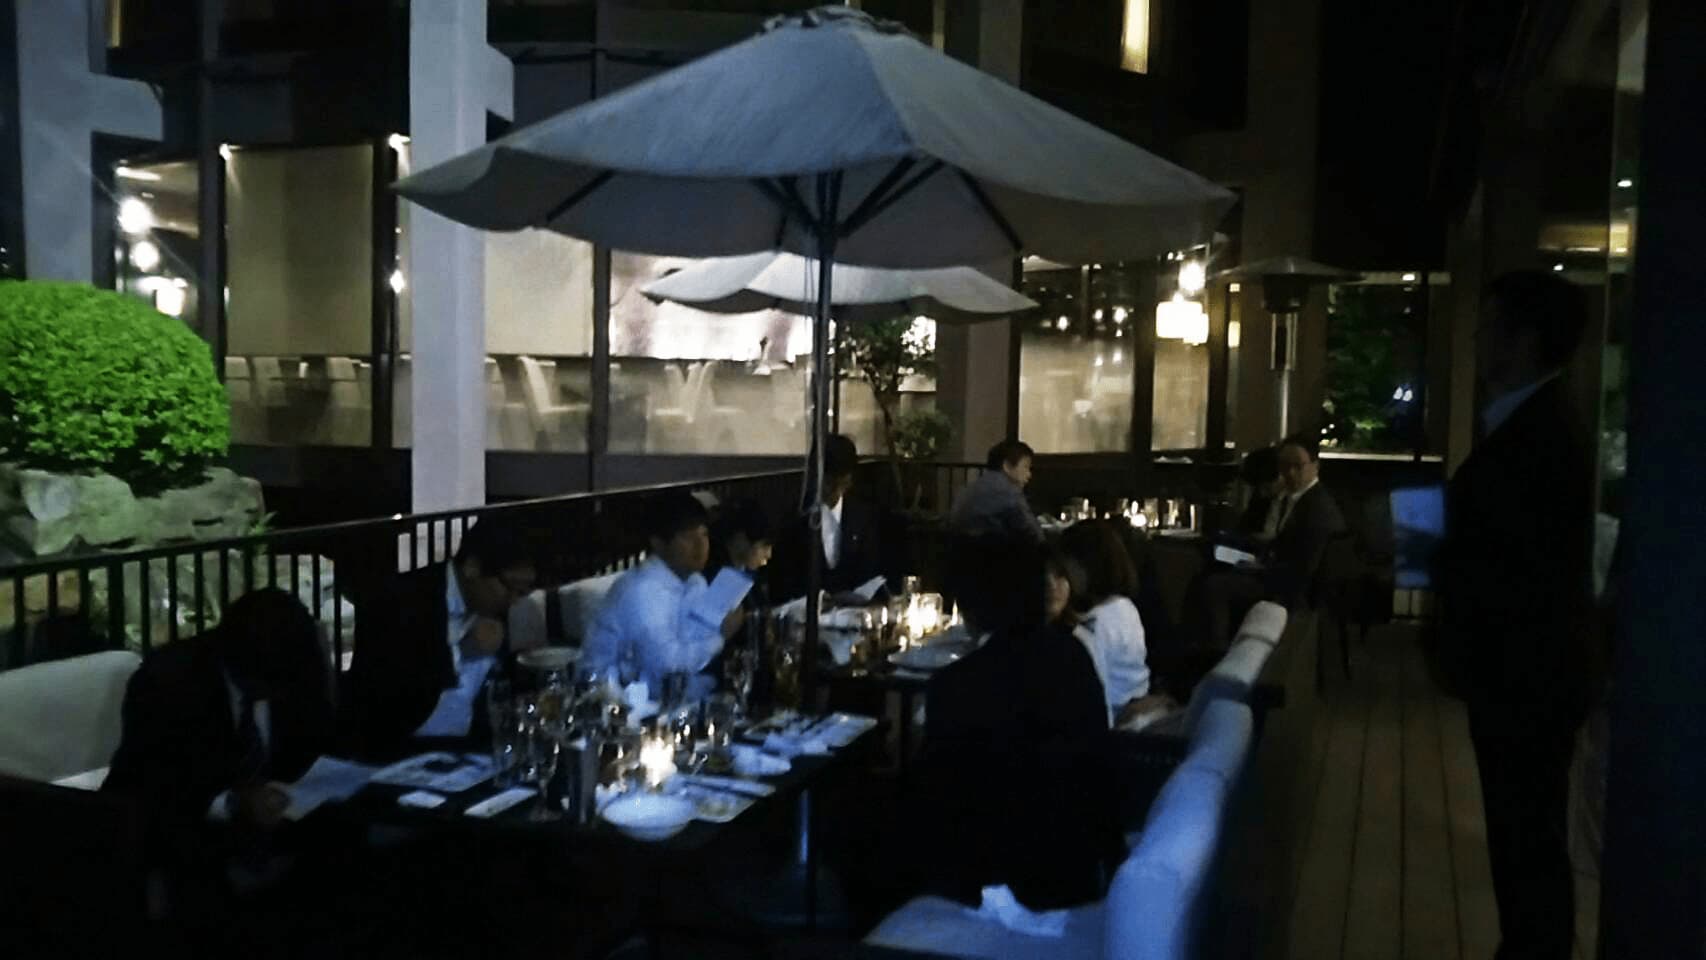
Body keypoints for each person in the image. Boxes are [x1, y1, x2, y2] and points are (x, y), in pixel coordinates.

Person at [1433, 270, 1596, 960]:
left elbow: (1497, 548)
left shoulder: (1535, 436)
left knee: (1525, 834)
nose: (1476, 339)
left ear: (1521, 341)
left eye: (1487, 326)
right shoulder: (1541, 424)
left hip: (1523, 675)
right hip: (1527, 673)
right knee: (1525, 833)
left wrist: (1414, 532)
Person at [103, 588, 334, 918]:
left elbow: (314, 738)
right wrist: (234, 802)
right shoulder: (170, 682)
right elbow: (157, 788)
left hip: (276, 820)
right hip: (180, 828)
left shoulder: (296, 662)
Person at [921, 541, 1116, 909]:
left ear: (972, 607)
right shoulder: (1074, 655)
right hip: (1076, 867)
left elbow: (939, 804)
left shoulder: (956, 686)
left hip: (990, 883)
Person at [342, 518, 540, 760]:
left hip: (469, 747)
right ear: (472, 568)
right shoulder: (404, 599)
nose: (514, 600)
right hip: (399, 747)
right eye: (510, 588)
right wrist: (461, 651)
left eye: (522, 592)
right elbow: (388, 690)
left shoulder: (494, 607)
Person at [583, 492, 754, 697]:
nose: (700, 546)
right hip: (614, 698)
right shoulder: (642, 591)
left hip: (666, 693)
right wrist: (720, 636)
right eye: (687, 537)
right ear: (658, 543)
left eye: (704, 534)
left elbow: (695, 641)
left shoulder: (694, 580)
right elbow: (666, 667)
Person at [1061, 520, 1166, 727]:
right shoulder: (1124, 607)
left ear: (1084, 566)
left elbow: (1097, 693)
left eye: (1065, 569)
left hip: (1118, 719)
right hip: (1139, 706)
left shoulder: (1095, 625)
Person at [772, 433, 884, 601]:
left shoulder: (863, 516)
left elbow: (870, 572)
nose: (826, 489)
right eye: (823, 481)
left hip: (854, 611)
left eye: (835, 483)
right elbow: (783, 582)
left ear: (848, 481)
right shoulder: (796, 517)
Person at [949, 439, 1044, 543]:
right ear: (1007, 466)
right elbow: (1034, 534)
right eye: (1026, 467)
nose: (1029, 474)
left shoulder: (967, 490)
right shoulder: (1010, 493)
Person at [1231, 445, 1284, 542]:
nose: (1262, 493)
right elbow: (1243, 528)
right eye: (1257, 489)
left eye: (1266, 488)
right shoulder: (1260, 499)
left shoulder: (1297, 504)